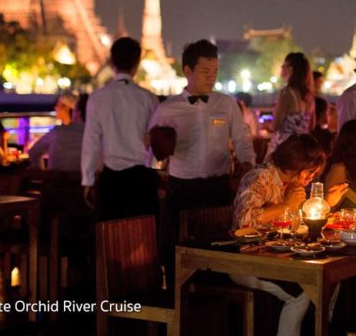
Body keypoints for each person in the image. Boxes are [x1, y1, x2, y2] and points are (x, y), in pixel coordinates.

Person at [148, 40, 257, 288]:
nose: (212, 77)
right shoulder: (168, 109)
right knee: (179, 257)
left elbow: (242, 138)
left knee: (218, 256)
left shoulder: (226, 104)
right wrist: (158, 177)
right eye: (206, 72)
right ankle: (179, 310)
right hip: (181, 189)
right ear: (188, 71)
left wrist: (247, 164)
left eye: (215, 71)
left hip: (216, 187)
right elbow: (152, 153)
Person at [232, 135, 347, 336]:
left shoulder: (295, 186)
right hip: (244, 260)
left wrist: (326, 203)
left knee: (333, 277)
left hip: (277, 258)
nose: (312, 177)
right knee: (301, 292)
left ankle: (323, 328)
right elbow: (244, 220)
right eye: (310, 171)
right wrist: (285, 205)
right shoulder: (260, 178)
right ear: (295, 163)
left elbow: (296, 223)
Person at [81, 37, 160, 221]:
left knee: (112, 241)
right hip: (142, 179)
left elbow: (91, 143)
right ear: (137, 63)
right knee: (144, 239)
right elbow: (154, 141)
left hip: (111, 180)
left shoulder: (97, 98)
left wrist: (87, 181)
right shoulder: (149, 99)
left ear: (112, 62)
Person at [267, 52, 315, 156]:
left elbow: (276, 125)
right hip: (303, 148)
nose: (281, 68)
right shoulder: (309, 96)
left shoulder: (286, 93)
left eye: (284, 65)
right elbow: (312, 125)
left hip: (286, 148)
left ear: (291, 69)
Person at [29, 93, 86, 171]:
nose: (55, 107)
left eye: (58, 105)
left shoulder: (57, 132)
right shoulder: (88, 132)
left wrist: (42, 176)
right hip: (83, 181)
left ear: (66, 108)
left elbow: (34, 152)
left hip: (56, 181)